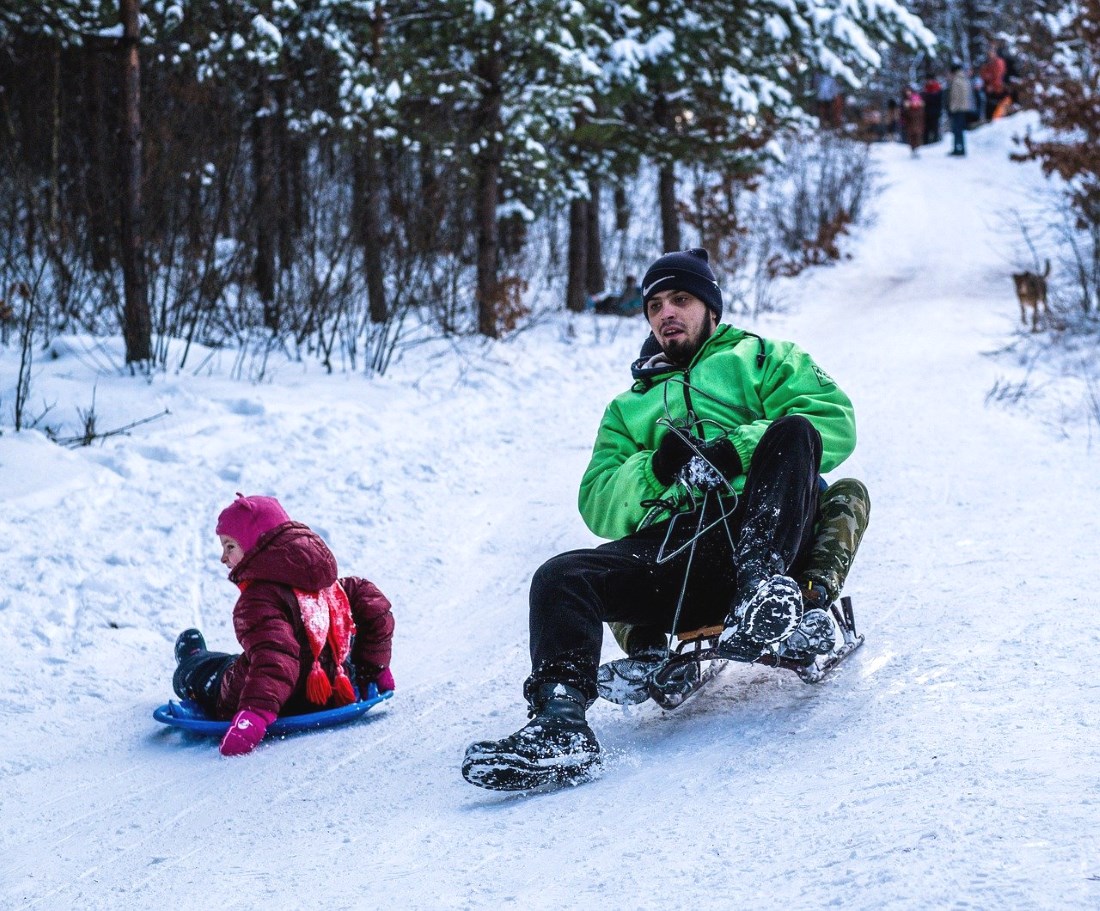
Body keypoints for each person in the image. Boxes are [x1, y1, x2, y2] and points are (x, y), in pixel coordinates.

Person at [462, 248, 857, 791]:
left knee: (793, 432)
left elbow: (831, 419)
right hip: (682, 555)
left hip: (765, 535)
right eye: (654, 305)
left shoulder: (763, 359)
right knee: (560, 576)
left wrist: (735, 450)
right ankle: (561, 725)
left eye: (681, 299)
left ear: (710, 308)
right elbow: (596, 499)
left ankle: (760, 594)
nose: (666, 312)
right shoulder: (629, 409)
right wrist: (655, 469)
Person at [171, 494, 395, 757]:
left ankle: (194, 657)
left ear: (256, 545)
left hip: (278, 701)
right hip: (332, 691)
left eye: (230, 546)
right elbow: (374, 607)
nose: (224, 557)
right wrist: (373, 668)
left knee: (209, 672)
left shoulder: (258, 600)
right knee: (269, 649)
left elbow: (274, 658)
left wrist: (254, 716)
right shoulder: (329, 587)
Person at [946, 63, 976, 156]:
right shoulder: (964, 79)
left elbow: (955, 96)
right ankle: (960, 148)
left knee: (957, 129)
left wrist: (952, 108)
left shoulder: (956, 80)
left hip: (958, 108)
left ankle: (958, 149)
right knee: (959, 129)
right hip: (964, 108)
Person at [979, 45, 1006, 119]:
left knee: (997, 111)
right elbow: (983, 74)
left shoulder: (998, 62)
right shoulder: (987, 63)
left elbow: (998, 76)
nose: (989, 54)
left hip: (997, 89)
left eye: (991, 52)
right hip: (989, 90)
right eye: (988, 52)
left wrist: (992, 85)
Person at [901, 84, 926, 155]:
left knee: (917, 135)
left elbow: (922, 111)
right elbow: (903, 113)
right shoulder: (904, 101)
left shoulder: (917, 99)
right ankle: (913, 149)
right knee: (911, 136)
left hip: (917, 121)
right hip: (909, 122)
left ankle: (917, 149)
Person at [921, 73, 944, 145]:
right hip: (927, 112)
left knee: (935, 128)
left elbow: (938, 100)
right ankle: (926, 143)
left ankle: (936, 142)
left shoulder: (937, 88)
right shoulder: (925, 89)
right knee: (926, 129)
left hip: (935, 112)